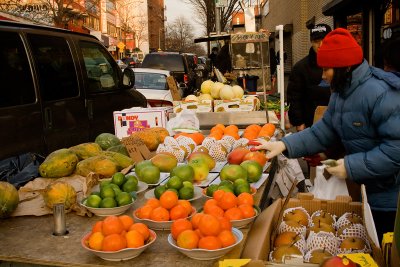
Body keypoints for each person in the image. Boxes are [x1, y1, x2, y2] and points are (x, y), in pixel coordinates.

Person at [254, 28, 400, 242]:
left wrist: (350, 166)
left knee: (383, 250)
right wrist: (284, 145)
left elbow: (395, 150)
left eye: (327, 69)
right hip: (366, 192)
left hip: (389, 201)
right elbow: (323, 131)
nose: (322, 75)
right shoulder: (341, 94)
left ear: (345, 67)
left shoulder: (380, 94)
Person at [287, 23, 332, 131]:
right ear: (311, 42)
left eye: (324, 41)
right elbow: (294, 97)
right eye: (316, 41)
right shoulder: (300, 68)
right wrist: (299, 122)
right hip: (311, 124)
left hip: (336, 122)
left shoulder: (340, 64)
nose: (321, 45)